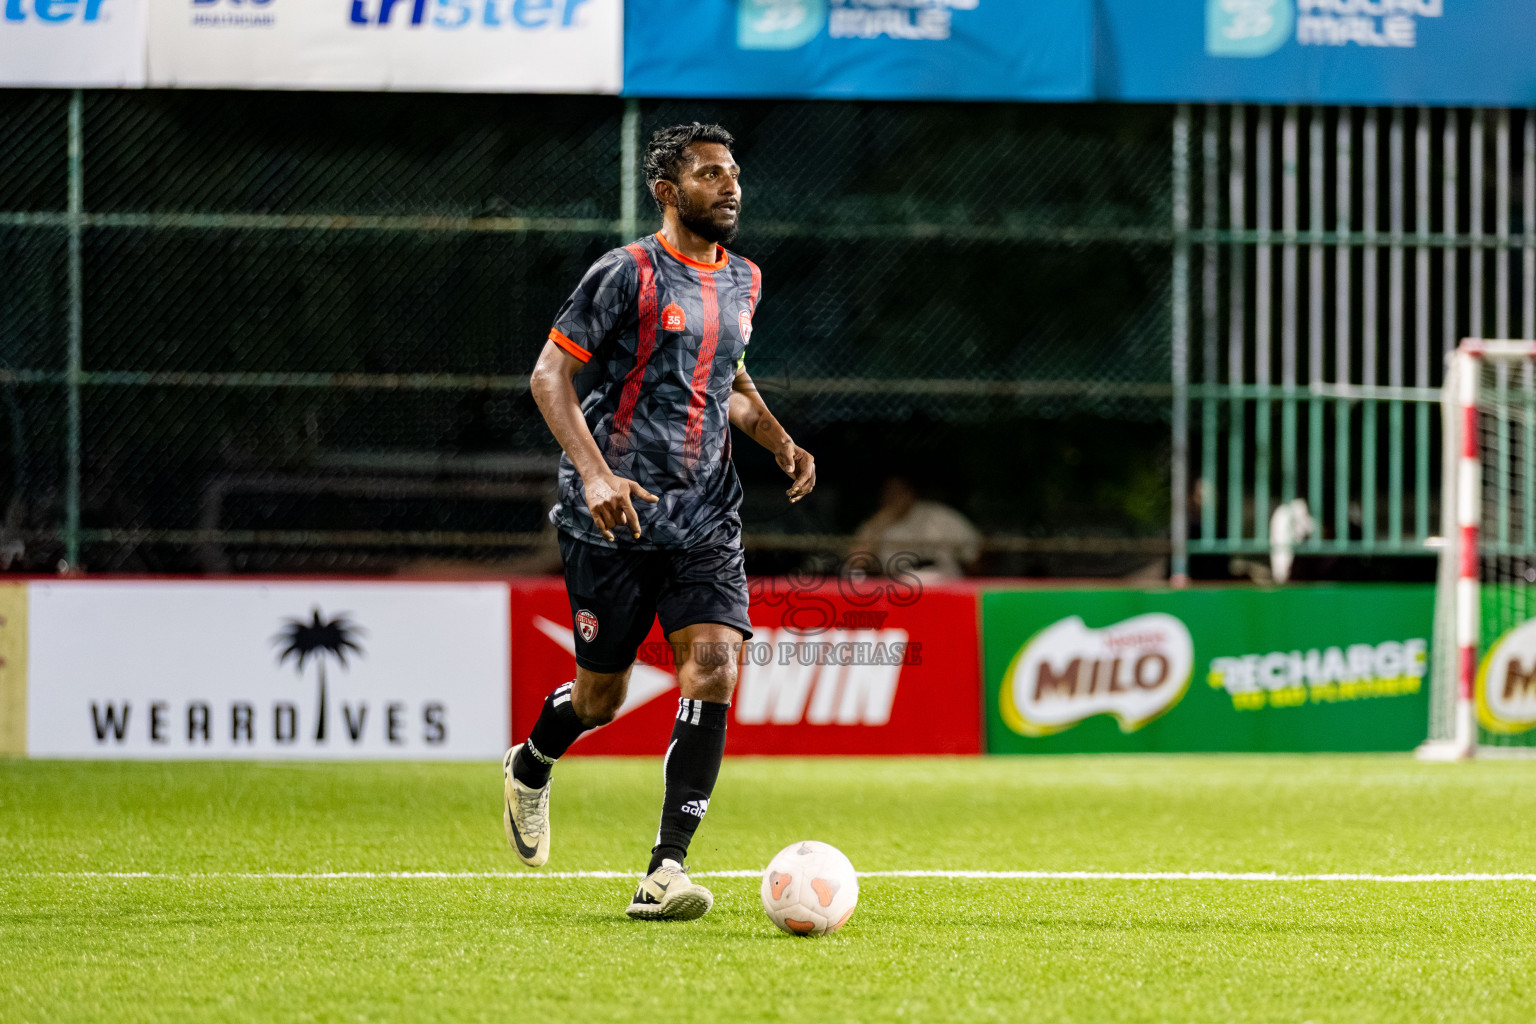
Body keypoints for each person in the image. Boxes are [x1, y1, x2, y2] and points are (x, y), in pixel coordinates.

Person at [502, 123, 816, 921]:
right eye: (711, 174)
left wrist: (779, 440)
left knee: (714, 665)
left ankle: (665, 870)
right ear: (669, 193)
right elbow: (549, 377)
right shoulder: (626, 274)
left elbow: (729, 381)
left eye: (735, 172)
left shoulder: (742, 280)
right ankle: (533, 762)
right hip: (614, 518)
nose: (732, 186)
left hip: (707, 515)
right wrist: (598, 476)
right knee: (602, 699)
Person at [848, 476, 981, 580]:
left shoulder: (941, 516)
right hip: (896, 592)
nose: (894, 497)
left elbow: (975, 558)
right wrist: (878, 525)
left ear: (911, 492)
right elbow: (856, 562)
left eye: (899, 491)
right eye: (888, 492)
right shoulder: (877, 522)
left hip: (943, 588)